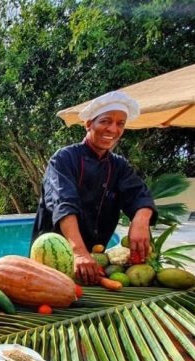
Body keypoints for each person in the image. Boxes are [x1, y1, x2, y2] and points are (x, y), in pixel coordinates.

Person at [32, 91, 156, 285]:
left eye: (120, 123)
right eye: (106, 121)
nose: (113, 129)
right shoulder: (64, 158)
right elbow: (63, 203)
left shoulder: (119, 165)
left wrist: (140, 222)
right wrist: (78, 252)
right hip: (55, 258)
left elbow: (139, 194)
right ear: (89, 124)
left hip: (95, 260)